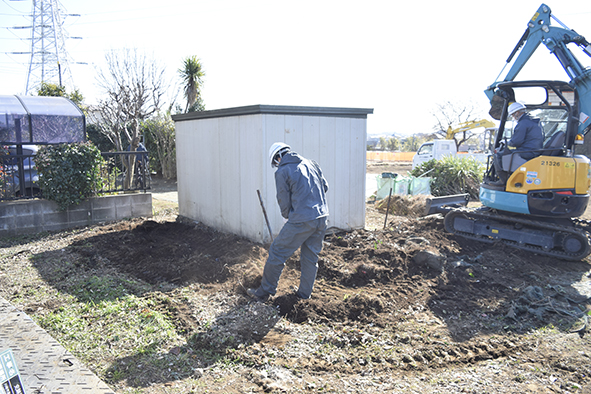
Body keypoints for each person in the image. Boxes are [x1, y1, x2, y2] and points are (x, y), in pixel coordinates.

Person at [247, 142, 329, 302]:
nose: (277, 165)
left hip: (301, 219)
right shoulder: (312, 163)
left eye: (276, 162)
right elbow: (324, 187)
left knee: (277, 251)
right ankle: (304, 295)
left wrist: (288, 216)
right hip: (322, 217)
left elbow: (283, 200)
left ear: (278, 157)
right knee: (310, 257)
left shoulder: (282, 171)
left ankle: (265, 291)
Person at [491, 102, 543, 184]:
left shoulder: (523, 123)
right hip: (534, 150)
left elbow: (516, 142)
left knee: (498, 155)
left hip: (527, 151)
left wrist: (507, 143)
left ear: (517, 113)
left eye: (512, 115)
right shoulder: (534, 121)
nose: (513, 117)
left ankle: (504, 181)